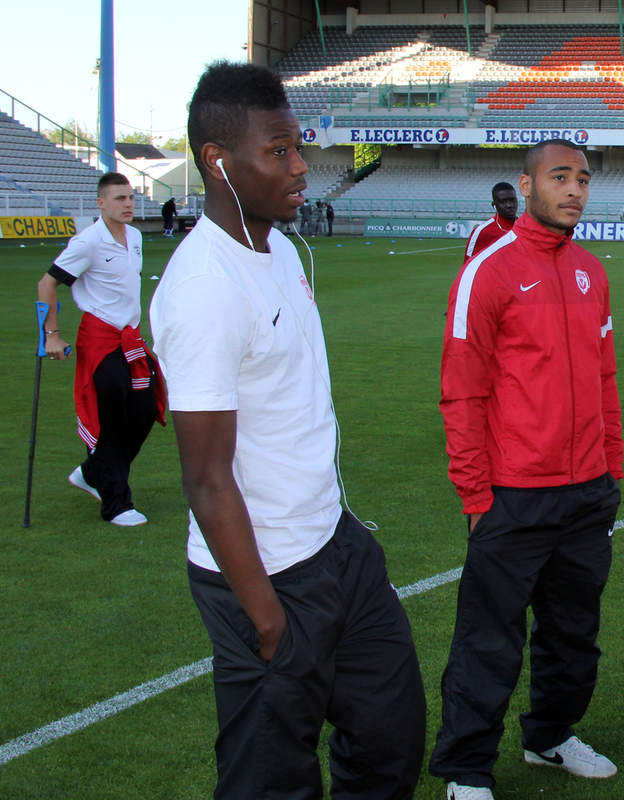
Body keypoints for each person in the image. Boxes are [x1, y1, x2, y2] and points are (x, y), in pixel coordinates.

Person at [148, 61, 425, 799]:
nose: (302, 167)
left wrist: (344, 537)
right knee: (270, 782)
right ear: (219, 163)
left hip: (335, 548)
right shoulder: (205, 286)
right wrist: (267, 622)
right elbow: (207, 479)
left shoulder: (278, 248)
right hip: (263, 578)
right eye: (278, 152)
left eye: (298, 147)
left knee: (391, 739)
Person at [431, 138, 624, 800]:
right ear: (528, 183)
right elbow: (462, 390)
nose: (574, 190)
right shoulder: (488, 272)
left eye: (583, 180)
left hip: (586, 493)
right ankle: (464, 768)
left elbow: (605, 378)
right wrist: (476, 493)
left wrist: (611, 472)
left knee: (574, 636)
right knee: (488, 641)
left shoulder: (591, 272)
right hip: (513, 496)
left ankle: (549, 735)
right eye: (560, 177)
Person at [37, 171, 165, 527]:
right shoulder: (87, 242)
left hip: (131, 338)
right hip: (100, 338)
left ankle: (93, 471)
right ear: (101, 203)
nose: (128, 204)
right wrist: (52, 334)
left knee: (142, 411)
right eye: (120, 199)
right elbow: (47, 284)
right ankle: (116, 503)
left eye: (131, 198)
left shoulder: (136, 236)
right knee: (110, 417)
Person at [463, 181, 518, 262]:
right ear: (494, 205)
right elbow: (469, 265)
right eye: (503, 201)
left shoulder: (526, 227)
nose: (509, 205)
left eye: (512, 200)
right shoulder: (482, 231)